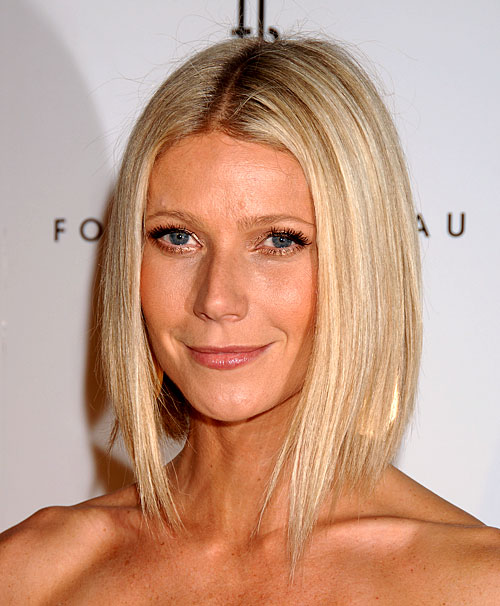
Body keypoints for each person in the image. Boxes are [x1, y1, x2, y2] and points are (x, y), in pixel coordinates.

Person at [1, 36, 499, 604]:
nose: (217, 299)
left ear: (362, 265)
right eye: (178, 237)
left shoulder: (475, 584)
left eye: (279, 241)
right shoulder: (32, 574)